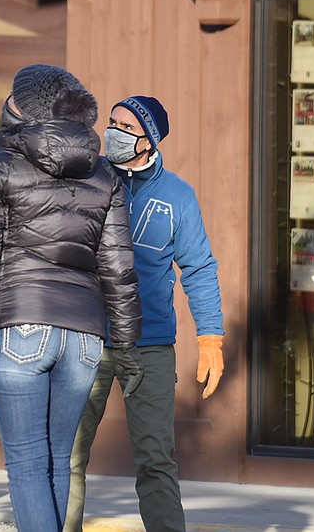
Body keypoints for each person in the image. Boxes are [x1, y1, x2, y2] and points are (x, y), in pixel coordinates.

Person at [0, 64, 143, 532]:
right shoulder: (106, 177)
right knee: (57, 461)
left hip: (18, 323)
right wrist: (129, 344)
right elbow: (118, 266)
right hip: (84, 337)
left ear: (21, 109)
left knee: (28, 464)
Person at [65, 95, 225, 532]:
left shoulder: (177, 196)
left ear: (149, 141)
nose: (113, 133)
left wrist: (210, 338)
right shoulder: (88, 178)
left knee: (155, 460)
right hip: (86, 342)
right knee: (68, 452)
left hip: (151, 347)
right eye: (111, 122)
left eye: (126, 127)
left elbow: (199, 267)